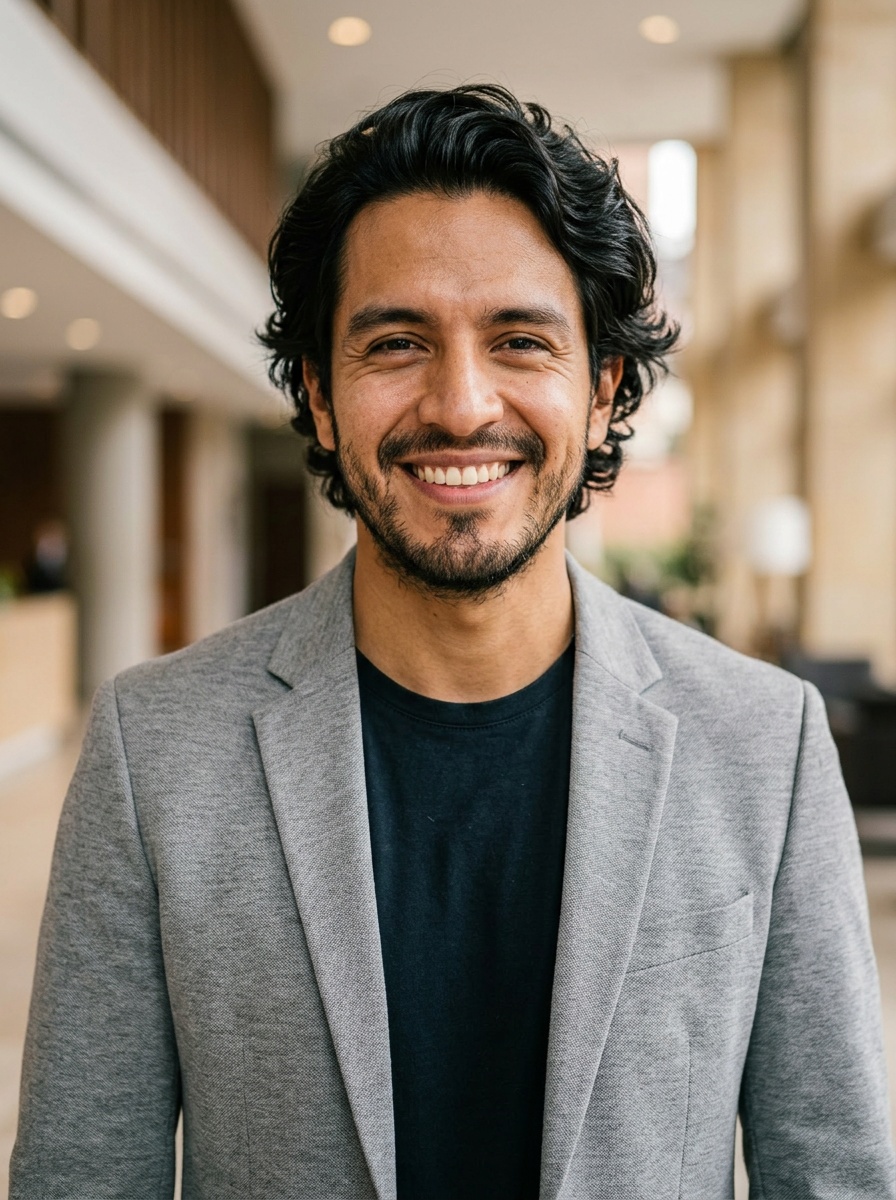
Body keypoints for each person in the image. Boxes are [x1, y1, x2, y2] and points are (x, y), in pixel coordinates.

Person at [11, 85, 894, 1200]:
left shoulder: (763, 747)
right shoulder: (155, 749)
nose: (460, 403)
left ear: (603, 387)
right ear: (321, 400)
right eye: (395, 343)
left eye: (520, 339)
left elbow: (833, 1178)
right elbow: (83, 1176)